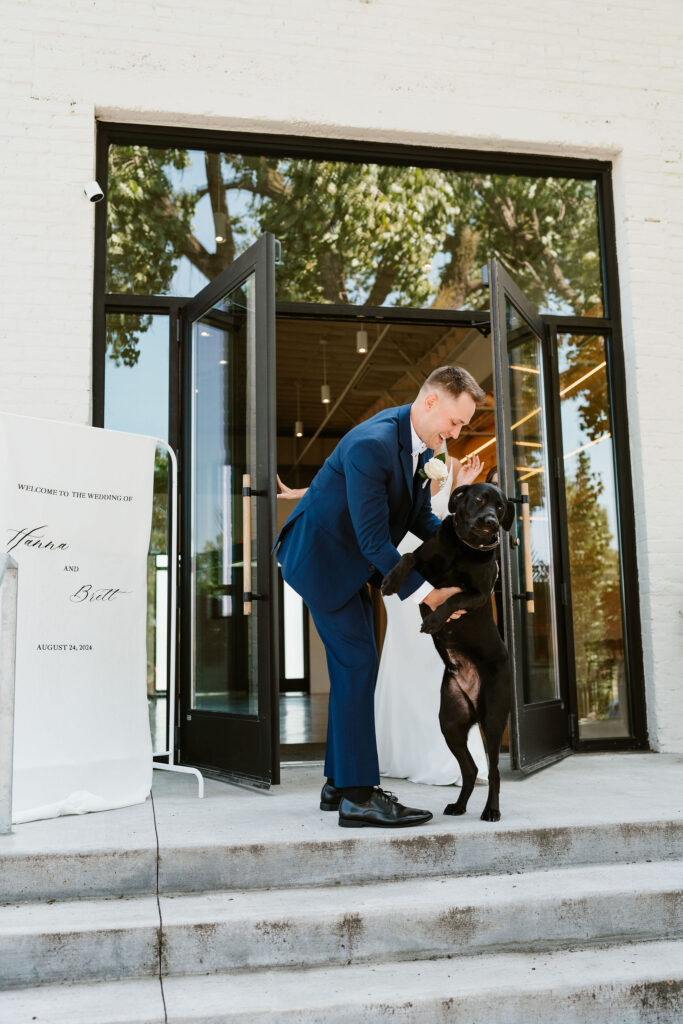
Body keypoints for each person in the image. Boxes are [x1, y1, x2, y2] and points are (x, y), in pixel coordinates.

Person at [273, 366, 486, 828]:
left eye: (462, 427)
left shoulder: (415, 443)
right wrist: (429, 596)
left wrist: (459, 549)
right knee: (357, 665)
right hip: (324, 562)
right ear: (430, 402)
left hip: (351, 564)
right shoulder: (373, 444)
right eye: (454, 422)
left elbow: (416, 517)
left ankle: (337, 782)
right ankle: (358, 796)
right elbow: (374, 542)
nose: (455, 434)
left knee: (356, 667)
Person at [374, 450, 490, 786]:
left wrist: (463, 485)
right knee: (409, 658)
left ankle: (446, 755)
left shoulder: (444, 478)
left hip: (431, 577)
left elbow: (447, 529)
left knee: (434, 663)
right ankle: (417, 755)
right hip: (402, 576)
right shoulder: (389, 470)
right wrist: (298, 493)